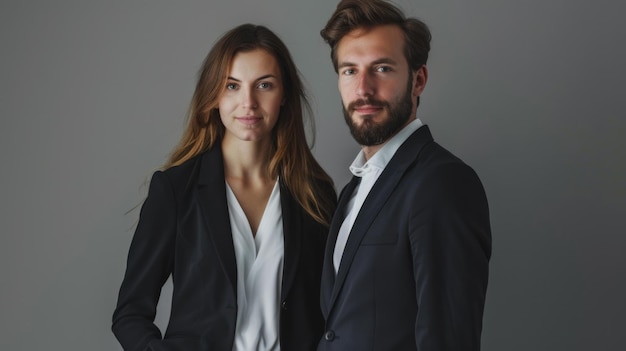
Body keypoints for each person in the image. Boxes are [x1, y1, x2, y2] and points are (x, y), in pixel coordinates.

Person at [112, 24, 337, 351]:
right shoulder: (176, 191)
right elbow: (130, 313)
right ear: (214, 95)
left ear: (284, 94)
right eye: (232, 86)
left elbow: (332, 312)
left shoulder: (315, 194)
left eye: (264, 85)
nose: (248, 102)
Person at [316, 1, 492, 350]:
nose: (363, 89)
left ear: (418, 79)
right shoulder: (353, 189)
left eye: (381, 68)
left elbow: (448, 337)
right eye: (349, 70)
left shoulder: (443, 183)